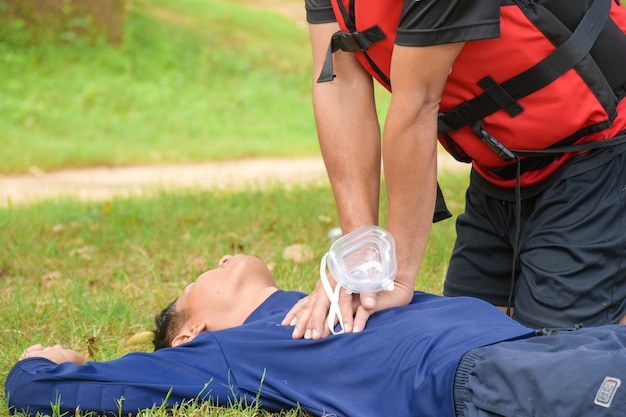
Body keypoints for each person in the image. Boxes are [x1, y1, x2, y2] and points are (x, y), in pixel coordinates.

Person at [283, 0, 626, 339]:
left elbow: (416, 104)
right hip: (502, 170)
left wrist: (396, 275)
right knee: (467, 342)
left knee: (548, 362)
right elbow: (339, 83)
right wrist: (360, 256)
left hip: (603, 148)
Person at [6, 254, 626, 416]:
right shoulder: (225, 351)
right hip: (490, 379)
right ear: (189, 331)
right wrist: (38, 364)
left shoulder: (324, 292)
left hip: (548, 344)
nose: (219, 261)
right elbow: (45, 394)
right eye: (199, 277)